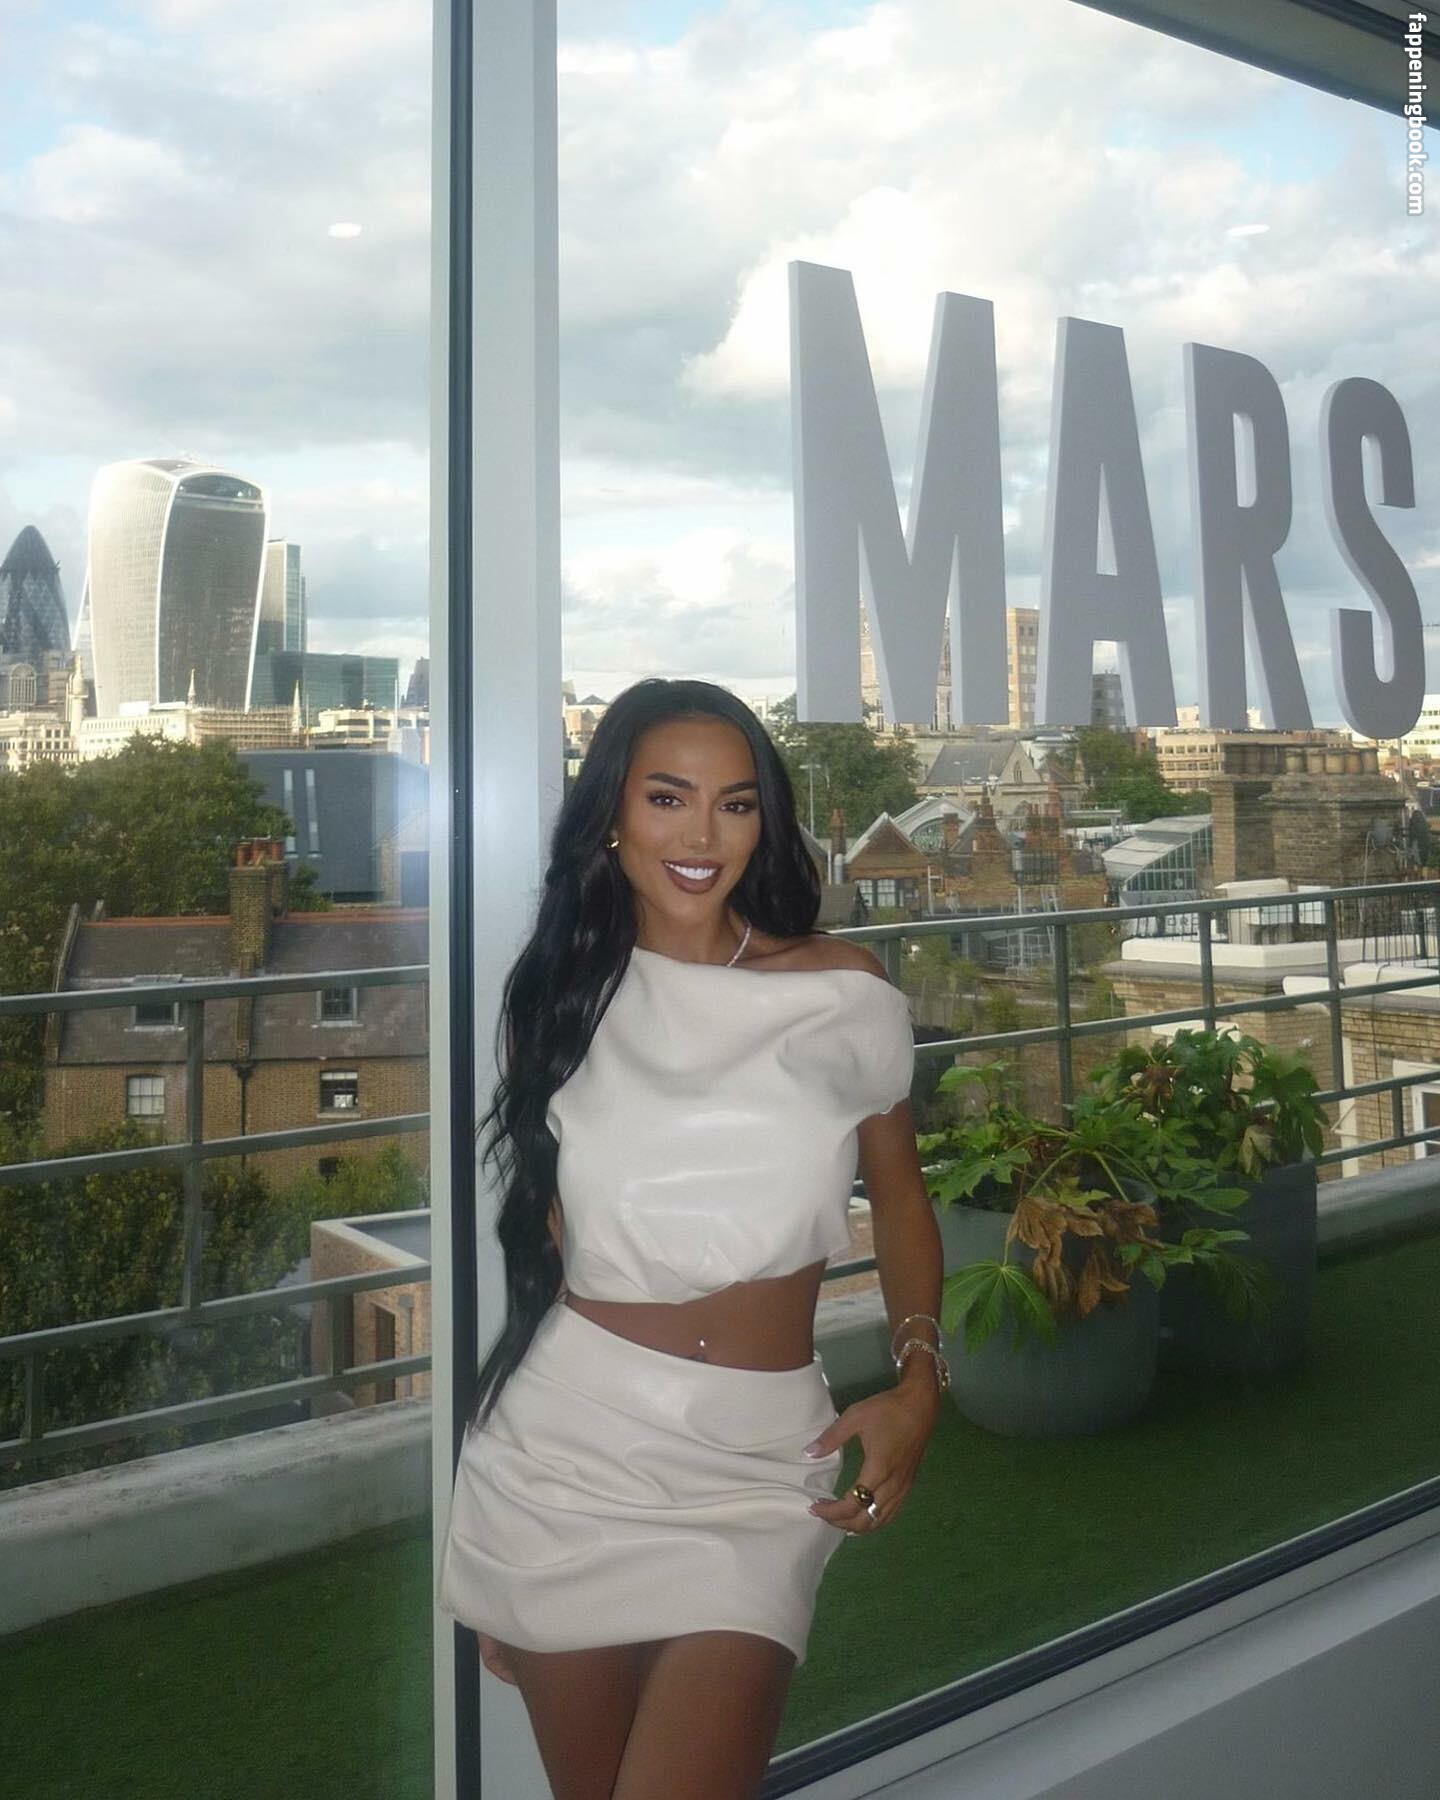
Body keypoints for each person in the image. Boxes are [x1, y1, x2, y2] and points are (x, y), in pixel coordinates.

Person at [436, 677, 947, 1800]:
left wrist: (921, 1378)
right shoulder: (558, 1002)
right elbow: (552, 1239)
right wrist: (508, 1564)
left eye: (736, 803)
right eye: (668, 798)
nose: (702, 836)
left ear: (767, 820)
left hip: (762, 1468)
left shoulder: (841, 993)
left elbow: (903, 1197)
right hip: (567, 1460)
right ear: (612, 815)